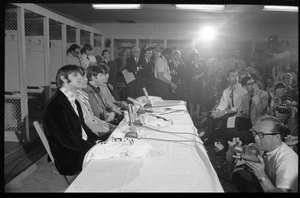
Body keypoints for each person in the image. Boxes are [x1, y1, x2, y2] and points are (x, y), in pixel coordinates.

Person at [43, 65, 105, 175]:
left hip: (81, 147)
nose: (80, 78)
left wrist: (97, 141)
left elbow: (83, 127)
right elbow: (69, 140)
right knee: (109, 160)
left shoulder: (73, 100)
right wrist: (93, 148)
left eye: (81, 75)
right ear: (63, 78)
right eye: (75, 75)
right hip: (69, 156)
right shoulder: (55, 104)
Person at [226, 115, 298, 192]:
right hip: (268, 184)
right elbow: (231, 161)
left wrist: (262, 176)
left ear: (276, 137)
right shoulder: (262, 147)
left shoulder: (287, 161)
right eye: (255, 133)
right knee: (237, 173)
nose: (256, 138)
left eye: (261, 135)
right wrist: (232, 150)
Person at [200, 69, 247, 146]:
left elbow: (236, 108)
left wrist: (222, 113)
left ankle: (226, 145)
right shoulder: (226, 91)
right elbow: (223, 105)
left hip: (240, 114)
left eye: (236, 76)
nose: (235, 78)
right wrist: (217, 112)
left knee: (226, 119)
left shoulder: (242, 89)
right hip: (231, 112)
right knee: (211, 114)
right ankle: (209, 137)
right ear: (228, 78)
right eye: (232, 76)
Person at [75, 66, 116, 138]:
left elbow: (94, 117)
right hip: (95, 130)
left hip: (102, 123)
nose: (104, 77)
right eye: (101, 75)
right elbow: (98, 115)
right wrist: (109, 125)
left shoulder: (96, 89)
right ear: (93, 77)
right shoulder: (88, 91)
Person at [234, 76, 268, 144]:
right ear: (244, 87)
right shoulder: (244, 97)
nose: (253, 85)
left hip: (259, 123)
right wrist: (241, 113)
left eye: (253, 83)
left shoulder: (263, 94)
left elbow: (260, 109)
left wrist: (255, 94)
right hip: (248, 122)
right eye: (249, 84)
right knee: (238, 119)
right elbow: (246, 112)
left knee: (240, 134)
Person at [186, 51, 206, 119]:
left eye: (198, 57)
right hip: (192, 84)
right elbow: (188, 75)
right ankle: (191, 114)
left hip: (199, 84)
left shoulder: (202, 65)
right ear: (193, 58)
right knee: (192, 99)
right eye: (195, 57)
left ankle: (197, 115)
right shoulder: (190, 66)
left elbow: (204, 74)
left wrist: (199, 76)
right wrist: (193, 77)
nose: (197, 58)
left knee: (198, 99)